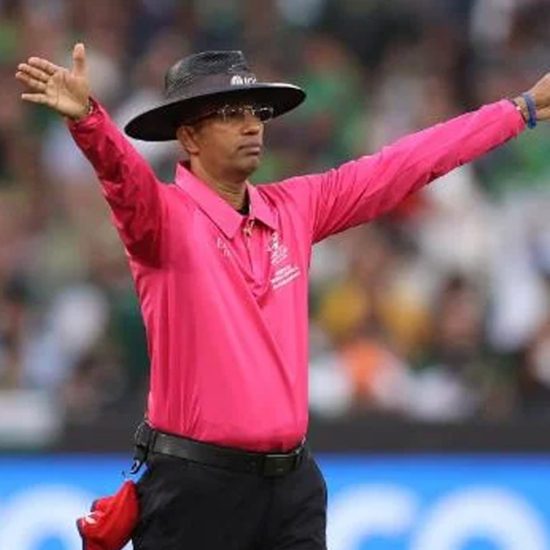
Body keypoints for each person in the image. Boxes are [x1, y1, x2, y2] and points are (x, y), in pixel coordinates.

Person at [14, 42, 550, 550]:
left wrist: (517, 111)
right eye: (230, 113)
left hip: (292, 487)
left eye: (256, 112)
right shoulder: (163, 221)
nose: (252, 125)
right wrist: (90, 122)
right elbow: (122, 177)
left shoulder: (296, 208)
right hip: (196, 490)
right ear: (189, 137)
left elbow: (402, 166)